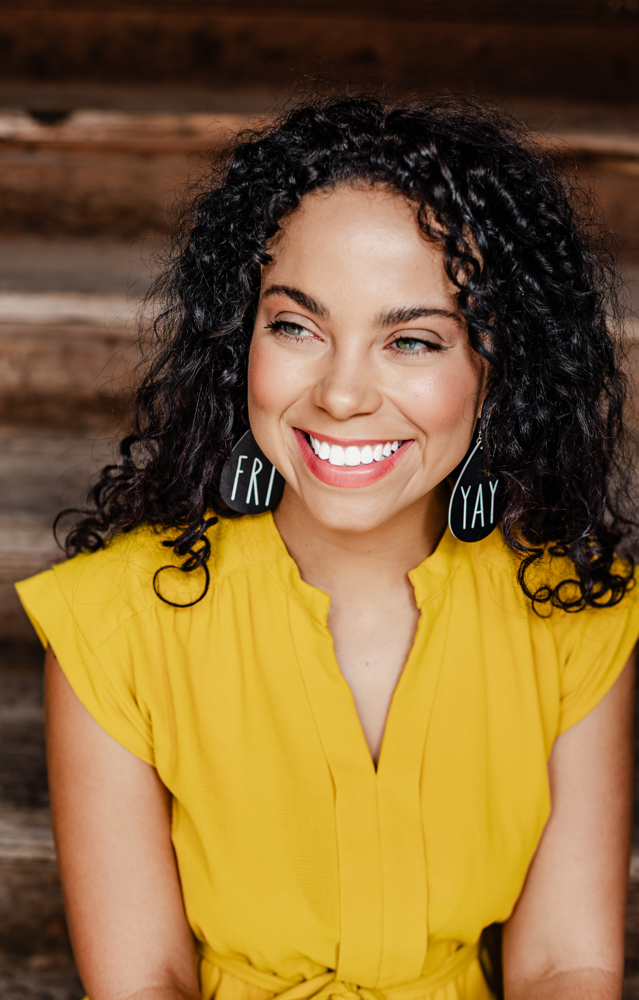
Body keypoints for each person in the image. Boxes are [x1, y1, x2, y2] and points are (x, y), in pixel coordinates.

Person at [16, 95, 639, 1000]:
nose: (342, 394)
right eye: (297, 326)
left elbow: (562, 964)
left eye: (412, 339)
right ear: (241, 341)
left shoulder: (572, 613)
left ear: (500, 369)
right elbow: (146, 980)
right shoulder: (114, 627)